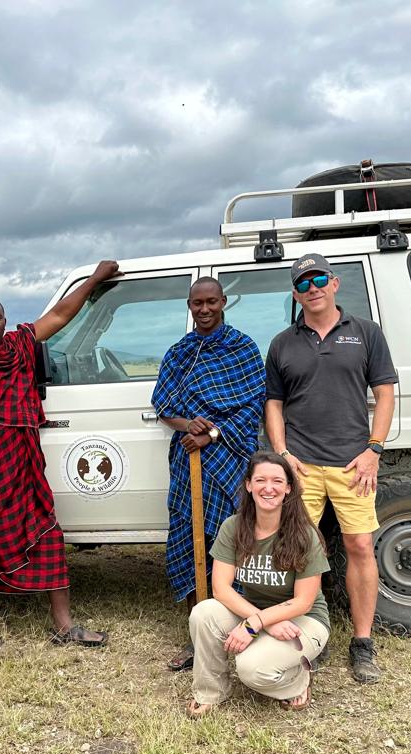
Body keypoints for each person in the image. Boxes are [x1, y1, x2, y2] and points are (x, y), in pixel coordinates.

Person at [0, 261, 121, 648]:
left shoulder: (19, 346)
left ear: (6, 321)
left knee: (48, 534)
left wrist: (95, 279)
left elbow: (59, 315)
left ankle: (63, 625)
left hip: (24, 469)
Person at [264, 253, 397, 684]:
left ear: (335, 283)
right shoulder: (283, 342)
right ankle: (315, 634)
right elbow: (274, 403)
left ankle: (362, 643)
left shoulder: (365, 333)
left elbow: (384, 392)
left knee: (359, 547)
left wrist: (374, 449)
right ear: (295, 293)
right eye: (303, 283)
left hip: (352, 463)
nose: (312, 287)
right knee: (304, 551)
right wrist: (283, 454)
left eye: (319, 278)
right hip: (301, 465)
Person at [152, 277, 264, 671]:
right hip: (188, 462)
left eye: (211, 302)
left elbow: (254, 408)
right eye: (197, 303)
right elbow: (164, 407)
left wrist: (212, 433)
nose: (204, 310)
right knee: (189, 539)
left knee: (231, 542)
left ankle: (237, 630)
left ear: (223, 302)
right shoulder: (179, 353)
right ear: (189, 304)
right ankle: (197, 635)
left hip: (229, 461)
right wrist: (190, 427)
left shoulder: (242, 348)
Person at [187, 451, 330, 716]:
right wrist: (263, 621)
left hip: (303, 620)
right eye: (261, 480)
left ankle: (297, 680)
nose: (268, 488)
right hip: (258, 613)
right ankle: (211, 691)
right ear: (248, 485)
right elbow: (221, 589)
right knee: (203, 613)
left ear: (288, 488)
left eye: (277, 481)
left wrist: (256, 623)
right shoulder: (234, 527)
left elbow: (304, 601)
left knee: (251, 670)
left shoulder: (304, 534)